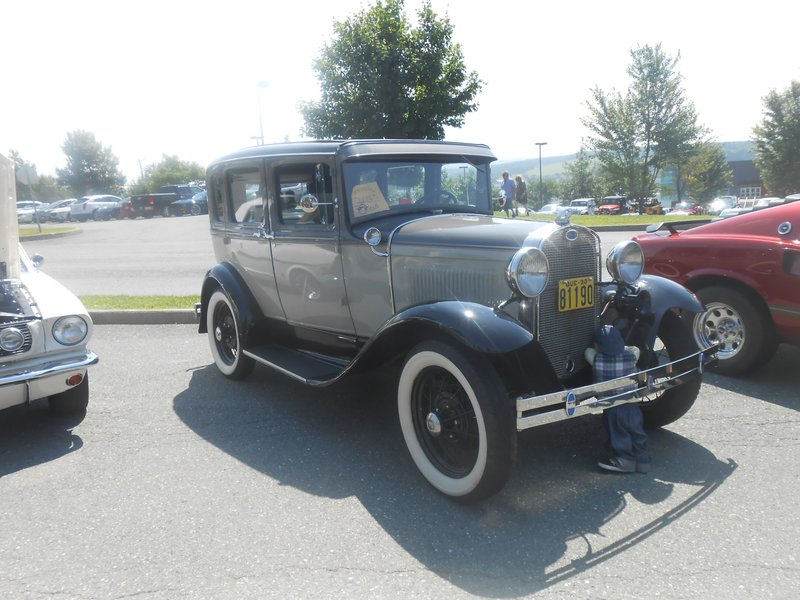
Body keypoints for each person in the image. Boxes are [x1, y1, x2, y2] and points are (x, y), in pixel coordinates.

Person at [585, 325, 651, 474]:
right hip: (633, 406)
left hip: (613, 407)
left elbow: (588, 352)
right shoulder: (631, 356)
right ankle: (643, 460)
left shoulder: (597, 359)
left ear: (598, 346)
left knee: (618, 433)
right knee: (637, 432)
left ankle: (624, 460)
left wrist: (595, 346)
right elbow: (635, 348)